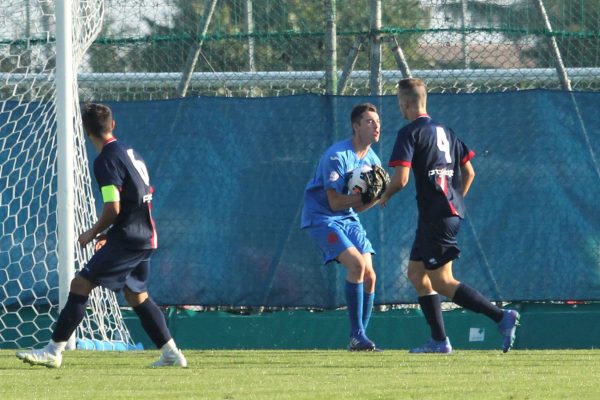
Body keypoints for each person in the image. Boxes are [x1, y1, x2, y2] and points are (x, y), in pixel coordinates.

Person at [16, 103, 187, 368]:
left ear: (86, 131)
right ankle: (172, 354)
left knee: (80, 285)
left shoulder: (106, 160)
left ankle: (53, 351)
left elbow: (114, 206)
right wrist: (111, 232)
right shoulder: (130, 152)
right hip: (144, 235)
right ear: (113, 125)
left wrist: (93, 232)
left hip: (130, 239)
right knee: (136, 296)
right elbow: (135, 200)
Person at [379, 78, 519, 353]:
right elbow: (470, 172)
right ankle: (439, 340)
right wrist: (454, 201)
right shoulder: (446, 131)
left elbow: (402, 179)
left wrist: (384, 195)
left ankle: (501, 317)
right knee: (417, 274)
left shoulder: (410, 133)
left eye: (398, 102)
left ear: (405, 103)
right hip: (443, 213)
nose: (399, 107)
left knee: (442, 281)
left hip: (437, 216)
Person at [301, 103, 384, 351]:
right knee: (356, 265)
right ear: (356, 126)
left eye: (377, 122)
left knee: (370, 276)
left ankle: (359, 339)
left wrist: (374, 197)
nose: (376, 126)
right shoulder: (337, 156)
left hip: (347, 217)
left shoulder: (372, 159)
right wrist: (367, 197)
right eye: (369, 121)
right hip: (322, 217)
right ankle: (356, 335)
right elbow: (334, 202)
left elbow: (357, 208)